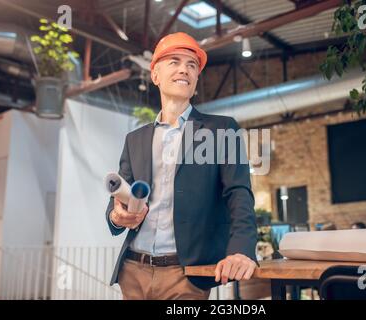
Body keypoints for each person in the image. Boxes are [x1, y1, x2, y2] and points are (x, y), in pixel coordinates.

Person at [105, 32, 259, 300]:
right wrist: (116, 216)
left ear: (196, 79)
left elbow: (238, 193)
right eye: (174, 61)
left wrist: (242, 249)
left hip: (185, 275)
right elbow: (120, 196)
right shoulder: (135, 139)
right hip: (133, 271)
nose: (184, 69)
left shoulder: (221, 130)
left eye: (192, 65)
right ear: (155, 75)